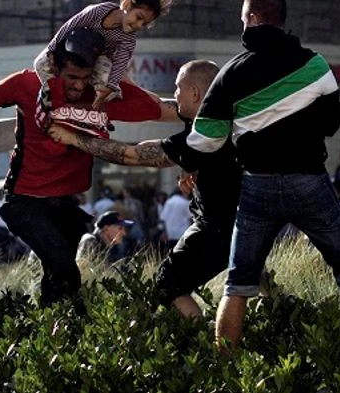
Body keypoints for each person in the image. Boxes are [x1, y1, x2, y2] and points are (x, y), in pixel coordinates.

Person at [186, 0, 340, 351]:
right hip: (310, 182)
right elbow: (332, 123)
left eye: (243, 20)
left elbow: (205, 140)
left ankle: (226, 371)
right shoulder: (315, 65)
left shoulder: (231, 75)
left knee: (238, 284)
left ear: (253, 19)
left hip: (257, 187)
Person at [0, 28, 177, 305]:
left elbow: (159, 108)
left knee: (57, 277)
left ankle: (51, 329)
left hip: (64, 205)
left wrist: (205, 112)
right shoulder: (26, 84)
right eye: (71, 77)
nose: (77, 86)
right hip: (25, 202)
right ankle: (65, 326)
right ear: (54, 68)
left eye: (85, 79)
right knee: (64, 268)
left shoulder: (100, 93)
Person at [49, 60, 242, 319]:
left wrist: (74, 138)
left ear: (195, 94)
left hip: (216, 228)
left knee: (168, 286)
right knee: (245, 279)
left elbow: (132, 155)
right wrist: (119, 85)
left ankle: (205, 348)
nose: (174, 94)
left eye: (178, 87)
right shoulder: (221, 115)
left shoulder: (201, 139)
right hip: (243, 223)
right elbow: (159, 106)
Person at [34, 0, 174, 129]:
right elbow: (68, 27)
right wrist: (53, 50)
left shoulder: (128, 39)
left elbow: (119, 64)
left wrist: (108, 88)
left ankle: (96, 116)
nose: (139, 25)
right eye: (139, 17)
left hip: (99, 60)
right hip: (72, 51)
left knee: (110, 84)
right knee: (40, 64)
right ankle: (50, 101)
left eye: (144, 24)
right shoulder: (98, 12)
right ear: (126, 5)